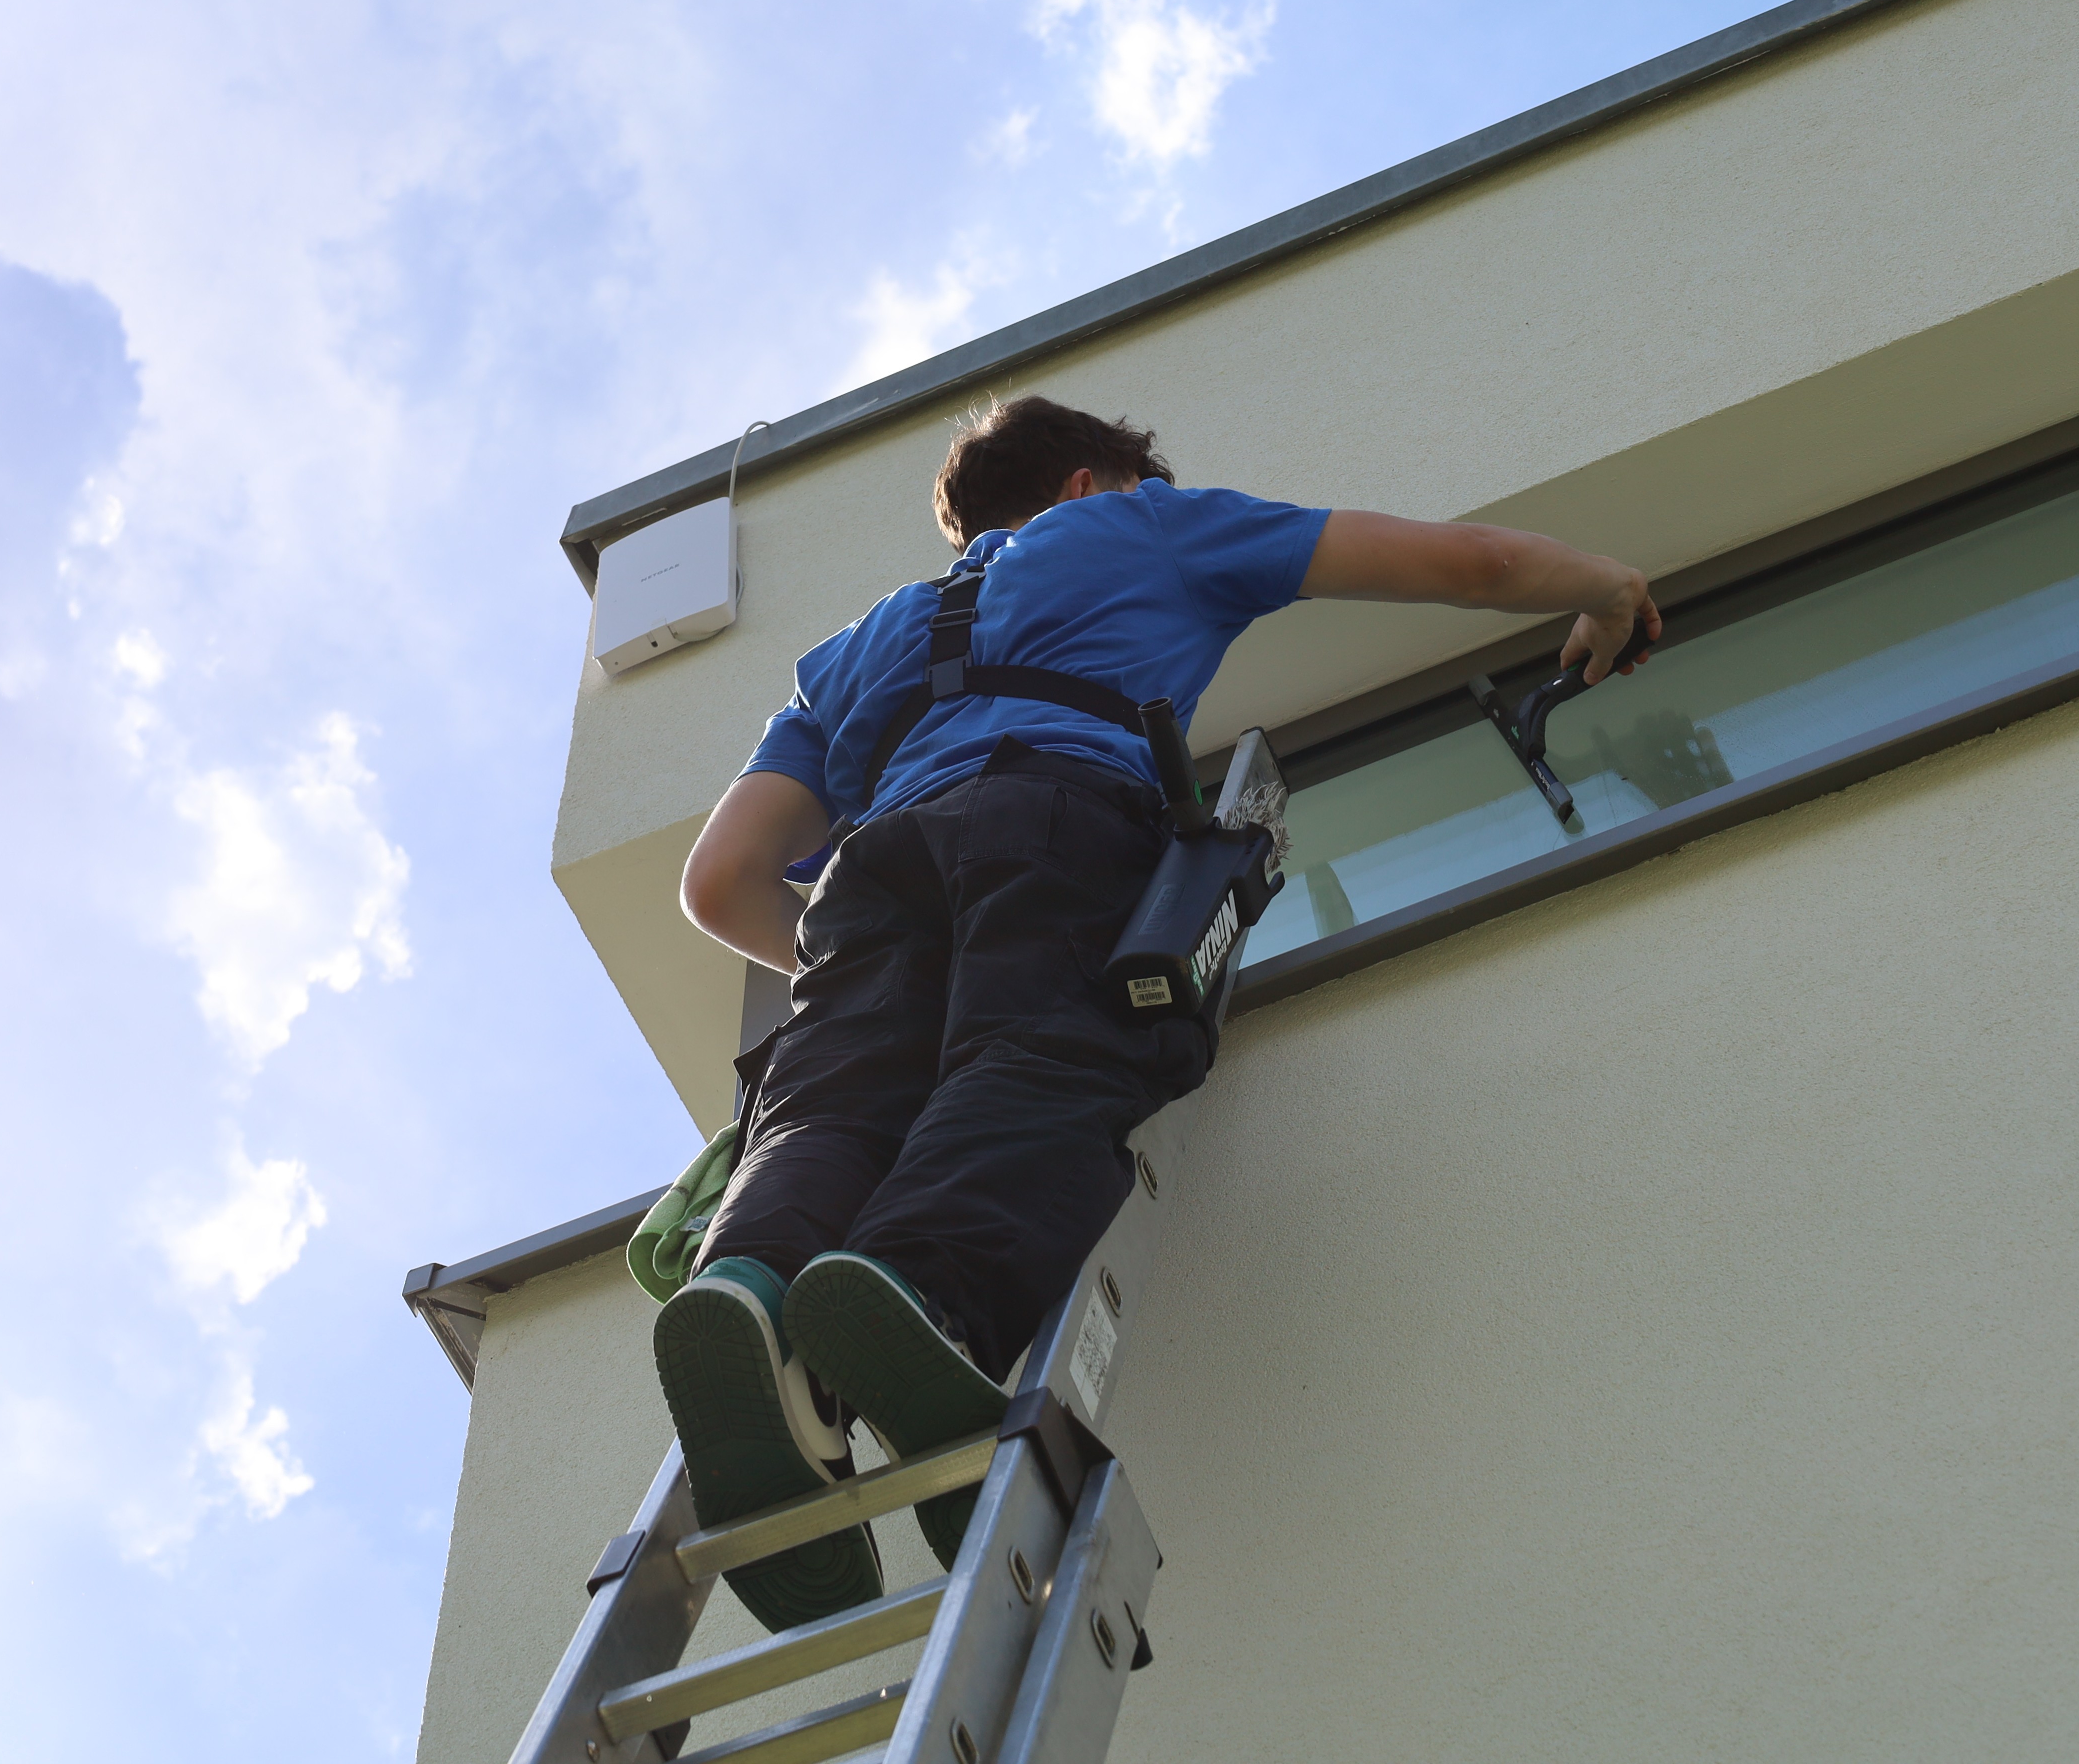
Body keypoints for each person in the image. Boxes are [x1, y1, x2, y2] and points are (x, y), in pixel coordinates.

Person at [655, 395, 1659, 1630]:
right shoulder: (1144, 529)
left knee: (836, 1104)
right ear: (1091, 483)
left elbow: (719, 881)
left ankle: (753, 1292)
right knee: (1041, 1059)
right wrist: (1604, 584)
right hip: (1061, 813)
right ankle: (918, 1296)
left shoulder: (859, 647)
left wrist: (851, 961)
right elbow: (1475, 562)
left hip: (870, 876)